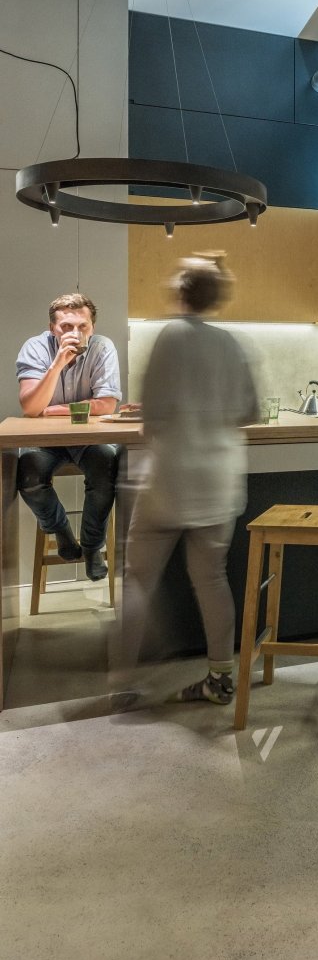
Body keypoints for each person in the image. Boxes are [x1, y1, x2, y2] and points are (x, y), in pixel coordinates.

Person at [120, 256, 258, 706]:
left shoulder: (170, 336)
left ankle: (124, 682)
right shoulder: (232, 343)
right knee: (212, 580)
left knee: (138, 579)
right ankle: (220, 679)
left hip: (170, 482)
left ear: (181, 292)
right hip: (218, 484)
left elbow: (152, 416)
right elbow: (251, 412)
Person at [16, 293, 122, 581]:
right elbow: (30, 407)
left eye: (82, 326)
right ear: (53, 328)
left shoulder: (102, 347)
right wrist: (57, 365)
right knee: (29, 476)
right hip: (46, 440)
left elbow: (107, 404)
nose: (75, 333)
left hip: (88, 439)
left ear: (92, 326)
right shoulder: (36, 347)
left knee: (107, 468)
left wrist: (52, 410)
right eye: (66, 326)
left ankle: (92, 547)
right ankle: (61, 530)